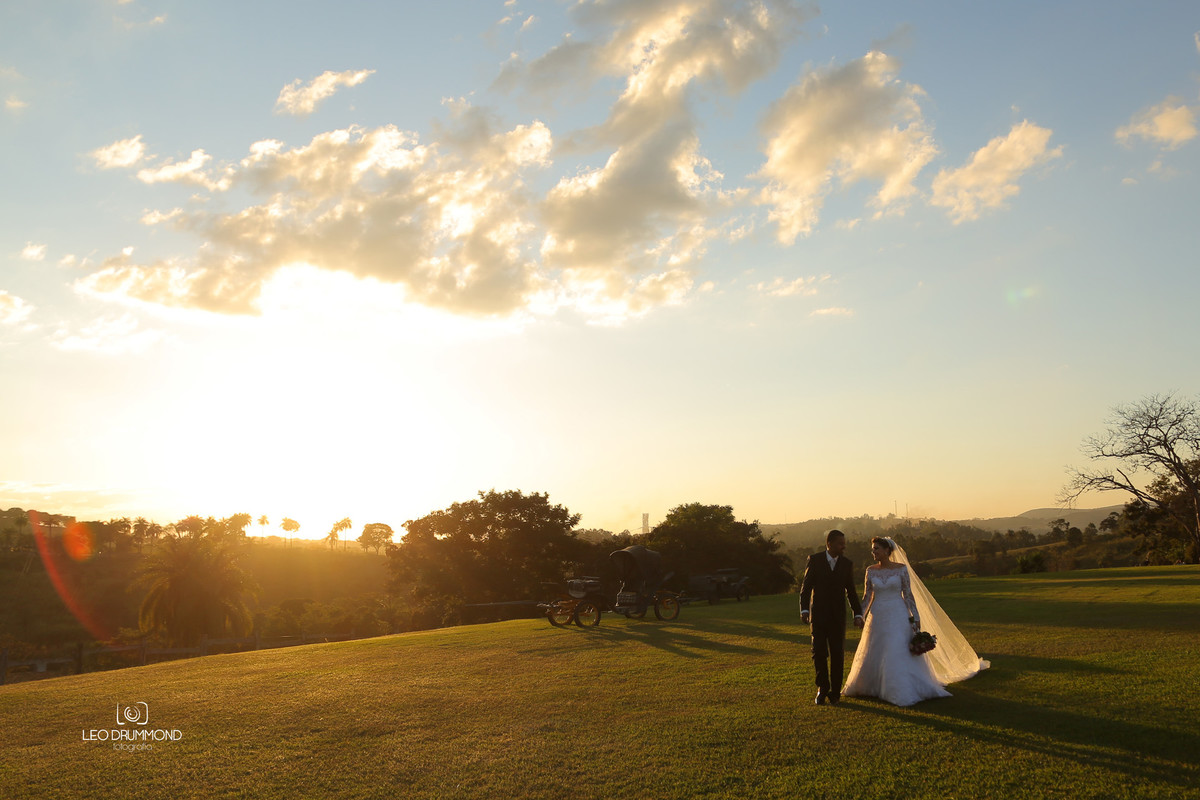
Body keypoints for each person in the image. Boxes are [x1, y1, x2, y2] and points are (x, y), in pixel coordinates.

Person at [842, 536, 990, 706]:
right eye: (873, 549)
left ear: (887, 551)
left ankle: (900, 688)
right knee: (876, 648)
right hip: (878, 615)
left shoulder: (901, 569)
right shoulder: (871, 570)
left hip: (898, 613)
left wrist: (916, 617)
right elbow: (868, 596)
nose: (873, 552)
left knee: (896, 648)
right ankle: (872, 685)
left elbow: (908, 595)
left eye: (876, 549)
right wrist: (860, 615)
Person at [799, 529, 863, 705]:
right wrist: (804, 610)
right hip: (818, 616)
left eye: (844, 543)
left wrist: (857, 613)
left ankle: (835, 691)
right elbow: (806, 588)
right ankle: (822, 688)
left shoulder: (846, 564)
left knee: (837, 654)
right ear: (829, 543)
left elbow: (851, 591)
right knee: (818, 653)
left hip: (837, 617)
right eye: (840, 543)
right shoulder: (815, 560)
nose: (844, 546)